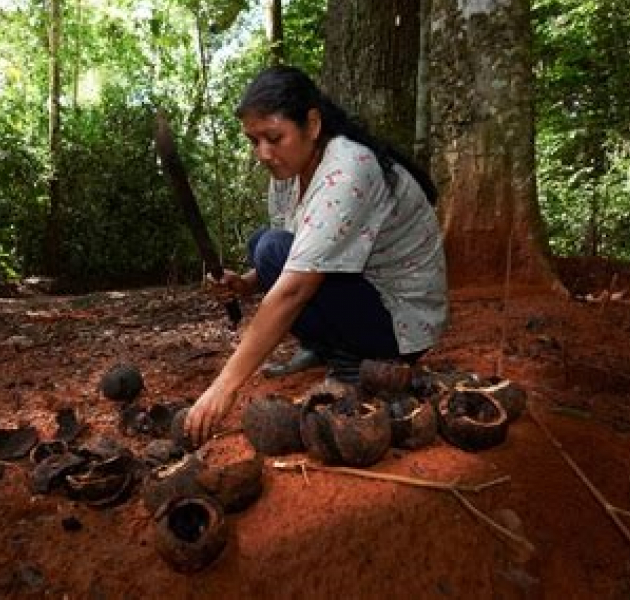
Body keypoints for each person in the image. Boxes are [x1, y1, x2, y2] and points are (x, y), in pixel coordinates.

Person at [185, 65, 448, 446]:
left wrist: (224, 387)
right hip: (364, 299)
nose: (263, 153)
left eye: (274, 138)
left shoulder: (349, 169)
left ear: (312, 123)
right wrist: (245, 284)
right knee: (265, 243)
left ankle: (353, 364)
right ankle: (329, 348)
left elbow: (295, 286)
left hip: (402, 323)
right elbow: (306, 248)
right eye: (253, 141)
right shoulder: (289, 172)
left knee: (272, 248)